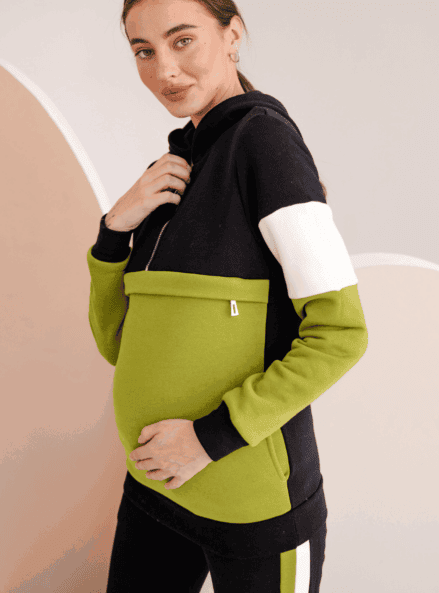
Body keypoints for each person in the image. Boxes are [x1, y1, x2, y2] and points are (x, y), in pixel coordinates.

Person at [87, 1, 368, 591]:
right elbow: (118, 344)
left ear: (232, 34)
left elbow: (341, 334)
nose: (164, 70)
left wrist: (209, 440)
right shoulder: (171, 170)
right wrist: (114, 231)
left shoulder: (266, 145)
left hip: (252, 508)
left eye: (182, 40)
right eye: (144, 51)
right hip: (155, 487)